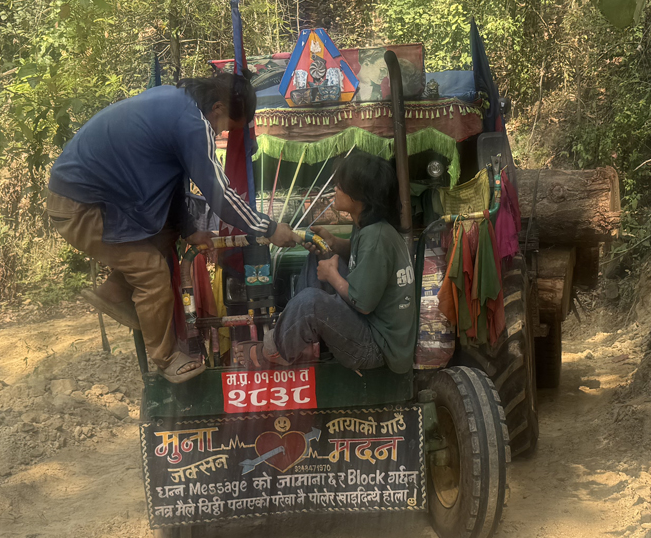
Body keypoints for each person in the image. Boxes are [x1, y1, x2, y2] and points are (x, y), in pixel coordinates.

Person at [47, 74, 300, 382]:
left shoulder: (174, 100)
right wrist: (269, 228)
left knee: (166, 235)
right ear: (218, 108)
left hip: (99, 199)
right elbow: (220, 195)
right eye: (225, 127)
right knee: (152, 273)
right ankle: (165, 358)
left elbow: (173, 181)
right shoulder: (192, 123)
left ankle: (116, 290)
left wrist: (188, 229)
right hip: (81, 205)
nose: (219, 133)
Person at [266, 150, 417, 372]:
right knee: (318, 254)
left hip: (377, 347)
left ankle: (277, 350)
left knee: (311, 302)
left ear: (360, 196)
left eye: (341, 186)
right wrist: (333, 242)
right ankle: (299, 341)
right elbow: (361, 256)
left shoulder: (375, 237)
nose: (335, 189)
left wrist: (332, 275)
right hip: (371, 326)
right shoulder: (368, 227)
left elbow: (362, 304)